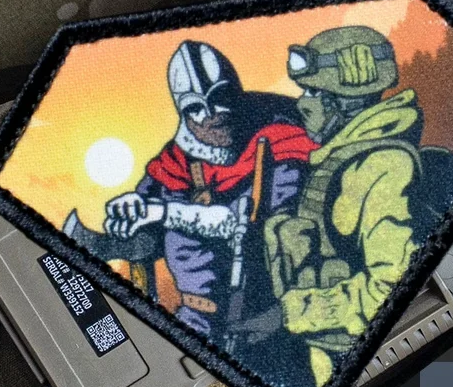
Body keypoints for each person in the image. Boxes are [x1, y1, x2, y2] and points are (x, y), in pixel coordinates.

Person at [235, 26, 453, 387]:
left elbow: (389, 287)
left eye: (315, 93)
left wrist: (285, 314)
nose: (303, 104)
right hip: (324, 355)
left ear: (348, 101)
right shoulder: (339, 160)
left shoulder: (378, 168)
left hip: (344, 359)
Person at [103, 40, 318, 340]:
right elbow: (142, 236)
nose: (211, 114)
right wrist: (129, 215)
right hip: (195, 325)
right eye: (195, 107)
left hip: (269, 326)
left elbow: (258, 226)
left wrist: (163, 213)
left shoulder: (280, 137)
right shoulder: (175, 162)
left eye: (220, 97)